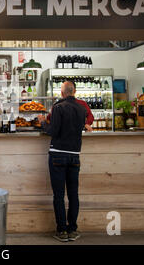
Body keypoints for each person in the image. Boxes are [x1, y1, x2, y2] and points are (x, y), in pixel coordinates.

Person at [39, 81, 87, 242]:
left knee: (58, 195)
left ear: (63, 92)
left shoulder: (58, 107)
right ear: (74, 91)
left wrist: (42, 122)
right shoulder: (82, 108)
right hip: (75, 154)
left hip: (58, 154)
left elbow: (53, 131)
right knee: (73, 194)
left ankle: (62, 231)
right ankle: (73, 229)